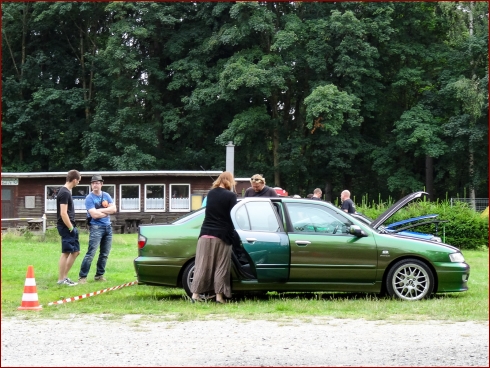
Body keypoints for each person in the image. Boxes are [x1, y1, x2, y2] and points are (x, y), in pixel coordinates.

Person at [191, 171, 238, 304]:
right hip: (222, 235)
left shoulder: (210, 193)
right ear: (229, 181)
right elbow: (233, 215)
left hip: (205, 234)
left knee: (201, 265)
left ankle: (195, 295)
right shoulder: (231, 196)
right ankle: (219, 297)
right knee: (221, 266)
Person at [78, 175, 117, 284]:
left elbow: (114, 209)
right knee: (91, 253)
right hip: (96, 228)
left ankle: (99, 275)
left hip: (108, 227)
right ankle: (82, 277)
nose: (95, 185)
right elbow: (94, 215)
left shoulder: (106, 195)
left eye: (97, 183)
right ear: (91, 185)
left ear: (101, 184)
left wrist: (100, 211)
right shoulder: (89, 198)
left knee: (104, 254)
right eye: (93, 183)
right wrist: (105, 211)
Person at [56, 170, 82, 286]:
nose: (78, 183)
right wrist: (71, 227)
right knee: (66, 252)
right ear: (75, 180)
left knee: (76, 252)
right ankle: (61, 280)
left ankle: (65, 277)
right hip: (66, 226)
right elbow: (63, 213)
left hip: (70, 226)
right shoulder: (65, 193)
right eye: (79, 181)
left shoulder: (67, 192)